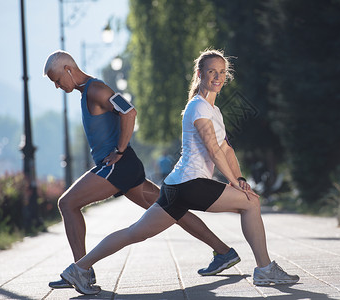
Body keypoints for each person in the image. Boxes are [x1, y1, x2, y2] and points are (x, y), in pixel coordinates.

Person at [58, 49, 299, 295]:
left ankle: (79, 268)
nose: (217, 77)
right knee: (251, 204)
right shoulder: (198, 108)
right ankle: (265, 268)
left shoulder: (213, 110)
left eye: (222, 73)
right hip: (191, 184)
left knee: (136, 232)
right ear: (200, 74)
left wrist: (239, 179)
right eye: (212, 72)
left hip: (177, 186)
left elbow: (226, 149)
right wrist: (235, 186)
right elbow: (214, 151)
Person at [42, 50, 241, 290]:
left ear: (67, 70)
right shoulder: (87, 92)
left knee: (67, 203)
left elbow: (129, 111)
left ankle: (81, 271)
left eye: (56, 80)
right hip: (124, 168)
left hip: (118, 166)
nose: (57, 86)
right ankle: (223, 252)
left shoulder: (96, 89)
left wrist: (120, 149)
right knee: (172, 207)